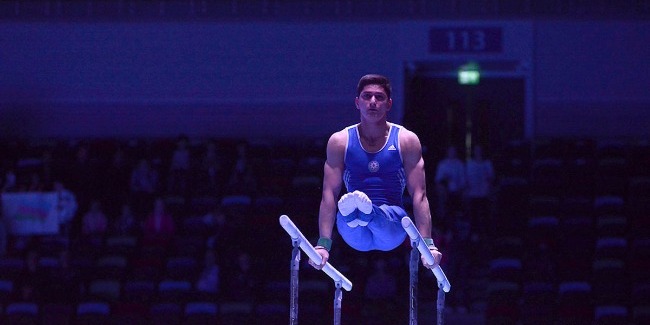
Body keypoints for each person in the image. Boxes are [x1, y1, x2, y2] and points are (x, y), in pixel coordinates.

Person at [310, 74, 442, 271]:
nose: (372, 102)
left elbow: (419, 195)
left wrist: (428, 244)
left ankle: (367, 212)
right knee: (346, 219)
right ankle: (357, 214)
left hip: (392, 227)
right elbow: (328, 194)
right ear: (357, 102)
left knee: (385, 215)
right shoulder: (340, 141)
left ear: (389, 104)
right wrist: (323, 245)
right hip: (355, 235)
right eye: (367, 96)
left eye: (379, 97)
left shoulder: (406, 140)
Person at [464, 145, 494, 239]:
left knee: (484, 216)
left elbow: (491, 178)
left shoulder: (487, 164)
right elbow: (466, 179)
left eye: (479, 150)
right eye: (476, 150)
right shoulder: (470, 164)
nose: (478, 153)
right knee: (473, 217)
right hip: (472, 194)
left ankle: (485, 236)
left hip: (484, 194)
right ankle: (473, 236)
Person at [434, 145, 466, 229]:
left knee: (455, 214)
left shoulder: (459, 164)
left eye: (453, 151)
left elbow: (463, 180)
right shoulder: (443, 164)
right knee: (445, 214)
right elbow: (438, 180)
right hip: (445, 195)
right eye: (450, 151)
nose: (452, 153)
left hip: (456, 194)